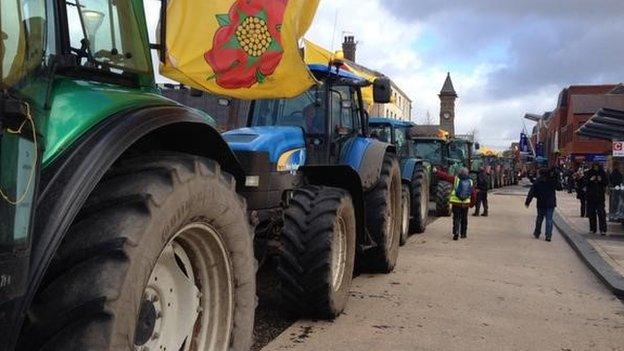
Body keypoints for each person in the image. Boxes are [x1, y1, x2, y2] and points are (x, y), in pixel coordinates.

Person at [435, 167, 476, 240]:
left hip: (456, 203)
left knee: (456, 218)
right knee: (464, 219)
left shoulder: (455, 179)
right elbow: (473, 194)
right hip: (465, 204)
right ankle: (463, 234)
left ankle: (456, 232)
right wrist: (472, 204)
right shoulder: (470, 181)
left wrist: (437, 172)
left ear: (459, 173)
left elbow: (446, 176)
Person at [525, 168, 561, 242]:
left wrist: (528, 202)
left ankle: (537, 232)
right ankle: (548, 235)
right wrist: (556, 178)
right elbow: (559, 188)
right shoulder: (551, 181)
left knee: (539, 218)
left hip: (541, 203)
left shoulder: (537, 182)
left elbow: (531, 192)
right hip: (550, 203)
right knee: (549, 219)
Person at [585, 162, 608, 235]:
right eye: (595, 166)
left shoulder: (602, 173)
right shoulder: (589, 173)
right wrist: (591, 179)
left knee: (601, 213)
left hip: (600, 197)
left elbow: (606, 182)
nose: (596, 167)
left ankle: (603, 229)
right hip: (591, 197)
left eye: (597, 166)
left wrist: (601, 180)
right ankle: (592, 229)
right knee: (591, 214)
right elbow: (585, 182)